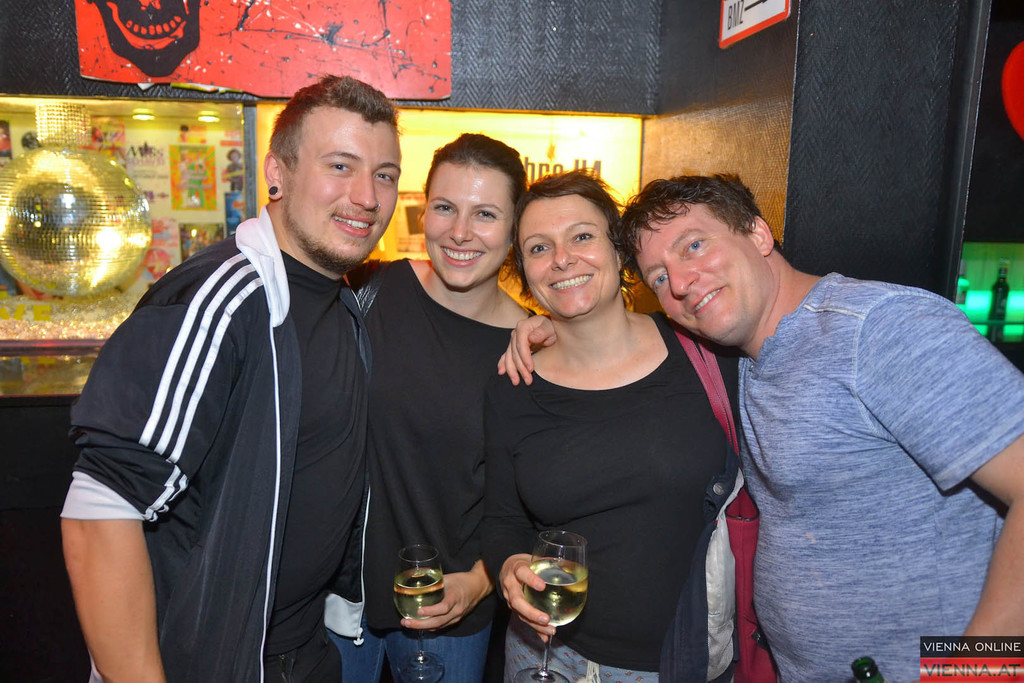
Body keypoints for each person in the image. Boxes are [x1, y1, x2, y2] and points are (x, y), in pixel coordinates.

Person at [504, 174, 1024, 682]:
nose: (680, 283)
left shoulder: (879, 327)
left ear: (757, 233)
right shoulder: (739, 358)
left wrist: (975, 672)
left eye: (694, 246)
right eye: (659, 277)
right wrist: (558, 324)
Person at [60, 74, 402, 682]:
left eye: (385, 175)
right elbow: (100, 510)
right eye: (340, 166)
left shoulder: (344, 304)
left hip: (304, 651)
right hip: (207, 662)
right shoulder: (220, 299)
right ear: (278, 172)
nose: (366, 196)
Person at [482, 170, 743, 682]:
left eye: (582, 236)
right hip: (545, 657)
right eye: (539, 248)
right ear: (524, 272)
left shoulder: (704, 354)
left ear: (620, 251)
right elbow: (502, 519)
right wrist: (510, 566)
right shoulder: (513, 384)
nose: (562, 259)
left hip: (675, 664)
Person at [325, 133, 531, 682]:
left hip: (450, 603)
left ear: (515, 229)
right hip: (339, 597)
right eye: (444, 207)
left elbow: (532, 497)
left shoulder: (532, 350)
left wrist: (480, 581)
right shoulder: (370, 288)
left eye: (485, 214)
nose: (459, 232)